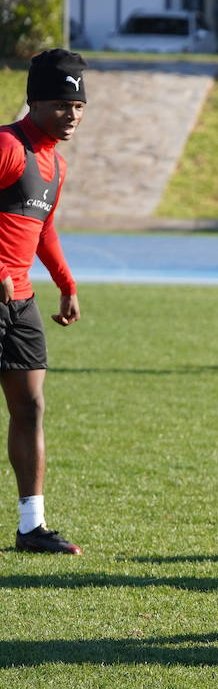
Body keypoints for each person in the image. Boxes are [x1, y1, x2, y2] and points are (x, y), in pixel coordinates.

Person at [1, 49, 84, 554]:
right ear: (33, 101)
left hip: (21, 305)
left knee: (30, 409)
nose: (70, 115)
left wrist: (67, 283)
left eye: (77, 106)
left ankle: (31, 527)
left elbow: (43, 228)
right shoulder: (8, 146)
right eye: (59, 104)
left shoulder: (56, 163)